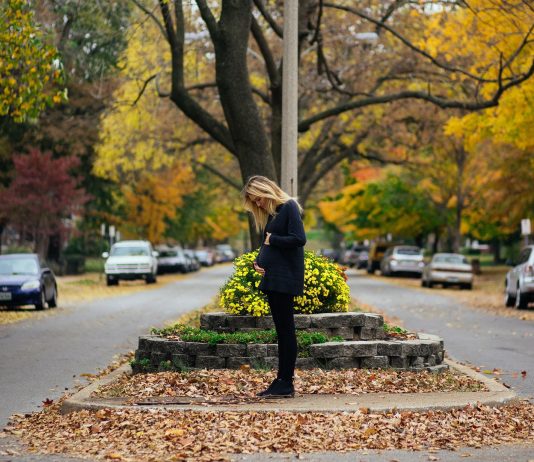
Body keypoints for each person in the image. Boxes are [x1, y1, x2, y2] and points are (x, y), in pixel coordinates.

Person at [242, 175, 306, 398]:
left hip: (285, 279)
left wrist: (272, 241)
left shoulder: (288, 207)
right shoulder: (273, 214)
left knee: (286, 331)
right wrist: (259, 262)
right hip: (274, 277)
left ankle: (285, 382)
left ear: (266, 192)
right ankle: (281, 380)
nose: (258, 204)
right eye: (254, 201)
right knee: (282, 330)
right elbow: (270, 244)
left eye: (258, 199)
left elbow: (299, 239)